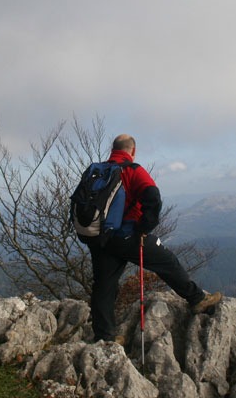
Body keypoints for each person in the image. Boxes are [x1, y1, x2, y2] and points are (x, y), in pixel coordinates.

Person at [85, 134, 221, 342]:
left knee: (104, 286)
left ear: (113, 149)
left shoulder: (96, 171)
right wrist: (144, 227)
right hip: (129, 236)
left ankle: (105, 336)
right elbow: (153, 197)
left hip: (100, 239)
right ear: (133, 151)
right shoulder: (132, 170)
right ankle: (197, 298)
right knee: (167, 262)